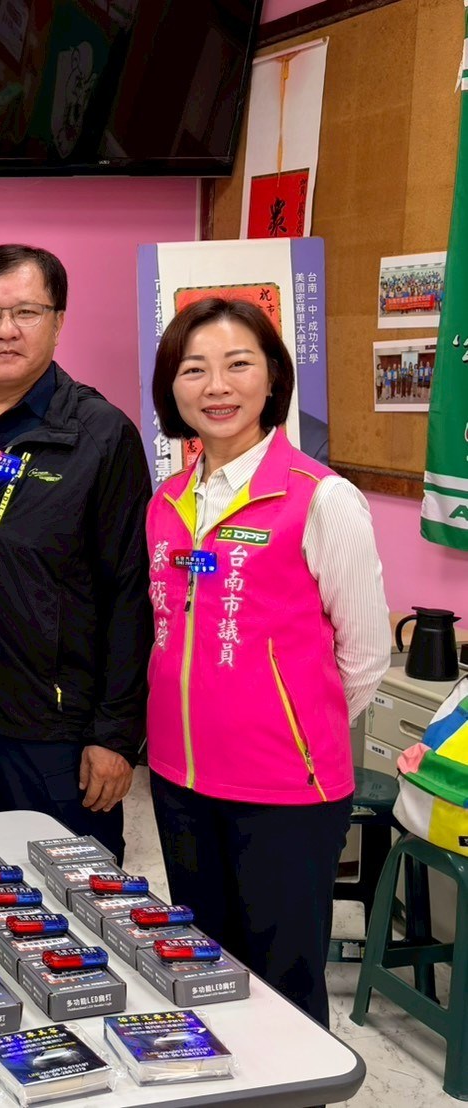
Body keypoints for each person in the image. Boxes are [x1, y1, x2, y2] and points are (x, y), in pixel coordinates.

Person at [146, 297, 390, 1026]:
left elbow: (365, 654)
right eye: (194, 370)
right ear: (171, 387)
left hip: (285, 792)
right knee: (205, 974)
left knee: (283, 988)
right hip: (179, 781)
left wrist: (290, 727)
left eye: (237, 365)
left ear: (273, 378)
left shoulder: (322, 499)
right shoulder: (166, 502)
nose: (216, 386)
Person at [0, 244, 152, 862]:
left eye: (26, 312)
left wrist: (116, 736)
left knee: (68, 901)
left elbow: (131, 593)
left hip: (53, 736)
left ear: (59, 321)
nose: (6, 330)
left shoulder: (101, 435)